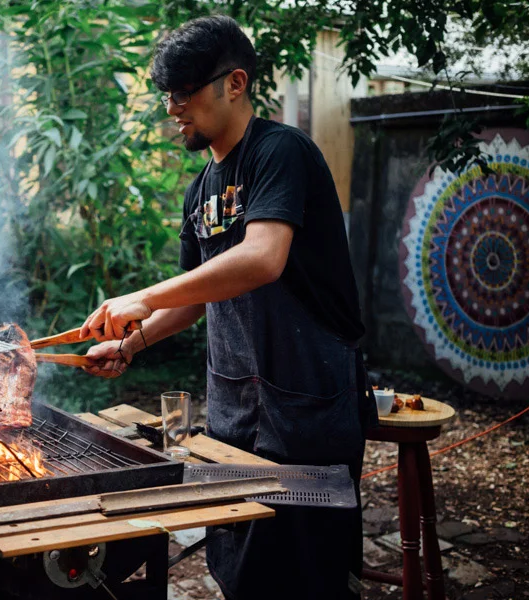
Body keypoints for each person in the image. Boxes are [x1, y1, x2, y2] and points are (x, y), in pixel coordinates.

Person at [80, 16, 377, 599]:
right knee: (241, 566)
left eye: (185, 93)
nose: (174, 109)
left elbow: (262, 258)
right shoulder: (200, 191)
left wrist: (141, 298)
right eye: (169, 95)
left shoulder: (280, 153)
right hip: (236, 409)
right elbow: (196, 297)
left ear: (234, 83)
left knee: (307, 572)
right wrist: (131, 342)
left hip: (307, 404)